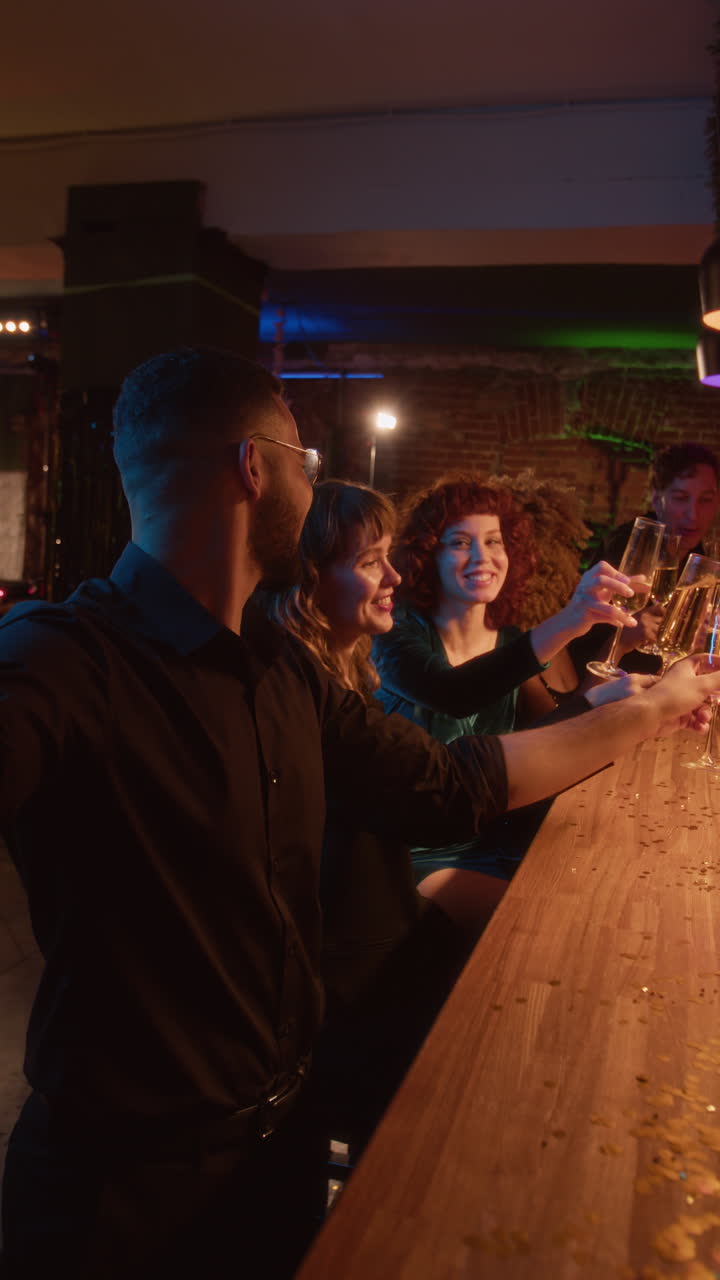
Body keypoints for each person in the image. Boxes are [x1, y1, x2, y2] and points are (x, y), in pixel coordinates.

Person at [0, 349, 716, 1280]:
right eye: (302, 456)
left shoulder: (277, 665)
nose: (312, 476)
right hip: (123, 1203)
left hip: (278, 1153)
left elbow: (451, 783)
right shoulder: (61, 661)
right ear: (254, 468)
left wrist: (651, 708)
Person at [268, 480, 501, 1157]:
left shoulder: (348, 665)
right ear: (308, 579)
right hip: (343, 985)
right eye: (373, 560)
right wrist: (633, 713)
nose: (397, 575)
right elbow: (448, 789)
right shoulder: (311, 682)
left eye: (393, 556)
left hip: (379, 926)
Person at [372, 473, 646, 906]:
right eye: (461, 542)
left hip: (497, 845)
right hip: (411, 858)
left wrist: (619, 693)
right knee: (554, 918)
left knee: (616, 889)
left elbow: (552, 735)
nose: (483, 556)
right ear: (427, 554)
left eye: (494, 541)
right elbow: (454, 692)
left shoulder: (508, 639)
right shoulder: (395, 634)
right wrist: (572, 619)